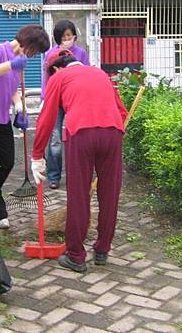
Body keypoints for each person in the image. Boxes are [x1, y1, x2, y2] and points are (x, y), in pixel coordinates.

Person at [31, 49, 128, 273]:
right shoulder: (100, 73)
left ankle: (75, 255)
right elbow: (121, 111)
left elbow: (46, 118)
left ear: (56, 68)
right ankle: (102, 250)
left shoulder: (59, 77)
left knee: (78, 195)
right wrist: (111, 131)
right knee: (110, 194)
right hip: (113, 133)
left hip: (81, 134)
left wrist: (37, 155)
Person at [0, 24, 50, 229]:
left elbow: (12, 88)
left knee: (6, 162)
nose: (33, 56)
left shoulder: (20, 63)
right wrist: (10, 64)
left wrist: (18, 105)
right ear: (28, 43)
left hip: (1, 118)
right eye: (34, 51)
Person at [41, 20, 90, 189]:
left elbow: (86, 74)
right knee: (55, 139)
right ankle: (54, 176)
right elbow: (46, 78)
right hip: (56, 100)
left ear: (74, 36)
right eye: (63, 37)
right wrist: (45, 96)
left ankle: (77, 174)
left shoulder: (81, 53)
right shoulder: (51, 55)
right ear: (57, 39)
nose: (67, 39)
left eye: (69, 36)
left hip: (75, 101)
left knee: (76, 137)